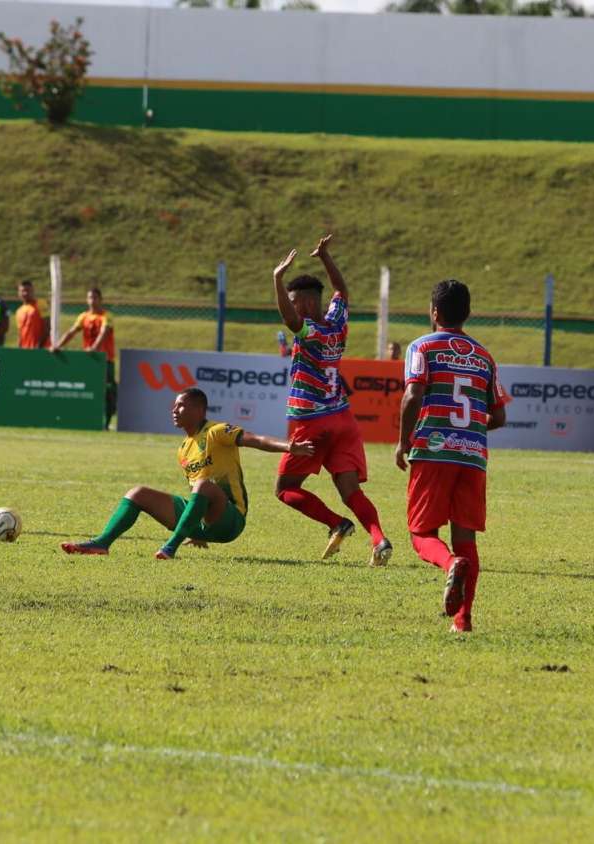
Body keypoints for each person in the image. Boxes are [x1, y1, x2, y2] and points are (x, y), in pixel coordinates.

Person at [60, 387, 314, 559]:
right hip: (204, 522)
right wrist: (196, 528)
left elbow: (254, 439)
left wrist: (288, 446)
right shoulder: (183, 448)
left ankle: (171, 546)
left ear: (199, 410)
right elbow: (196, 492)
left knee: (203, 485)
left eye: (181, 406)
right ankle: (102, 543)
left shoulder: (216, 431)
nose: (174, 410)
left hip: (231, 520)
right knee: (137, 493)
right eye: (174, 406)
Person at [395, 279, 508, 634]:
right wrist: (469, 430)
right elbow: (500, 416)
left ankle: (449, 564)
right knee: (466, 537)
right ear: (468, 313)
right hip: (473, 455)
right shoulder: (484, 355)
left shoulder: (421, 347)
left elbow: (413, 395)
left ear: (434, 312)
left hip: (433, 450)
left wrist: (403, 441)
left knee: (421, 533)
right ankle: (463, 622)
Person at [272, 234, 392, 566]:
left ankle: (336, 523)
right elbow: (342, 291)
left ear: (304, 303)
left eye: (293, 300)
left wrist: (277, 278)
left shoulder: (309, 330)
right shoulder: (336, 323)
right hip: (343, 419)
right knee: (350, 490)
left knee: (285, 488)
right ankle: (379, 539)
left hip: (312, 421)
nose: (291, 305)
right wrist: (324, 256)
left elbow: (290, 320)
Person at [55, 287, 117, 428]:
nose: (92, 301)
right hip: (89, 360)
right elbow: (72, 332)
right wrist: (58, 345)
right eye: (90, 298)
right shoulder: (84, 317)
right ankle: (86, 421)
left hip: (105, 360)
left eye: (95, 298)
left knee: (107, 392)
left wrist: (95, 348)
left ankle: (106, 423)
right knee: (88, 390)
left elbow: (103, 333)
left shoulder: (107, 316)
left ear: (100, 300)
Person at [15, 280, 50, 349]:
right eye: (22, 291)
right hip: (25, 349)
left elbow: (48, 327)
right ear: (19, 293)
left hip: (41, 349)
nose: (25, 293)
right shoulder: (19, 311)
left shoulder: (41, 303)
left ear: (33, 291)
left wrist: (39, 346)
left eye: (28, 290)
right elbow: (21, 333)